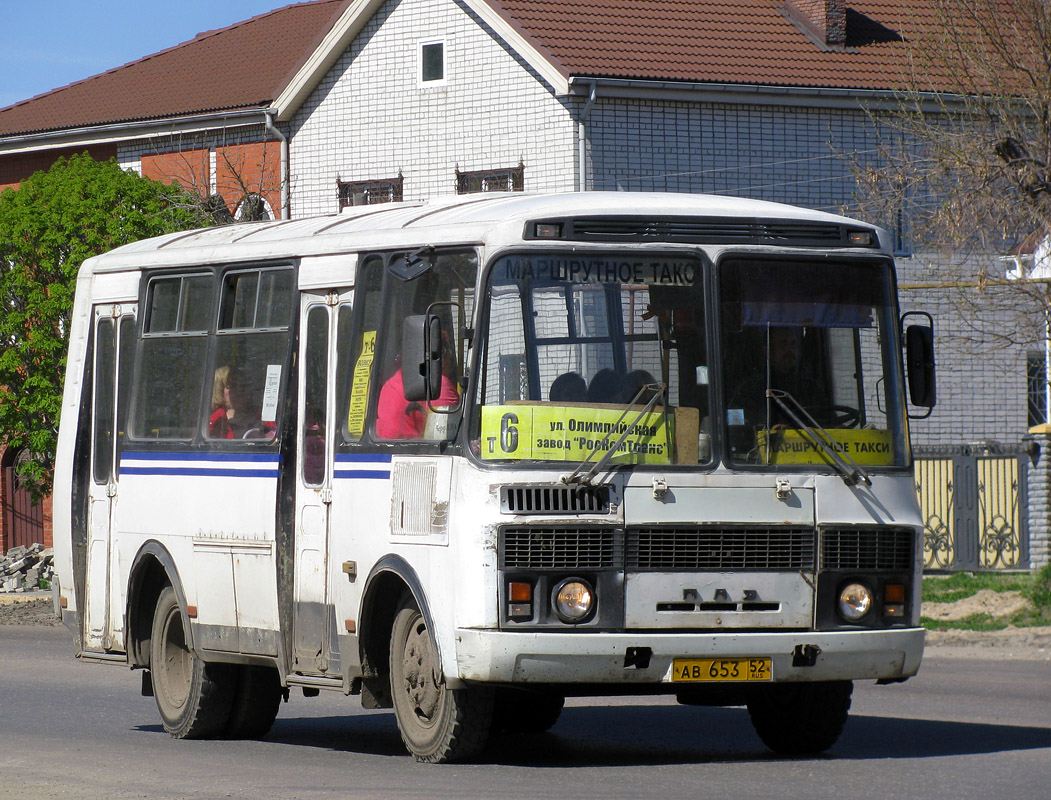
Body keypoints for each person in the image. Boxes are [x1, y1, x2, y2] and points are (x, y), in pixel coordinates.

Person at [375, 354, 459, 439]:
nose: (449, 358)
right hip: (420, 450)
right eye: (444, 350)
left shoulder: (390, 384)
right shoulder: (438, 386)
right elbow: (445, 435)